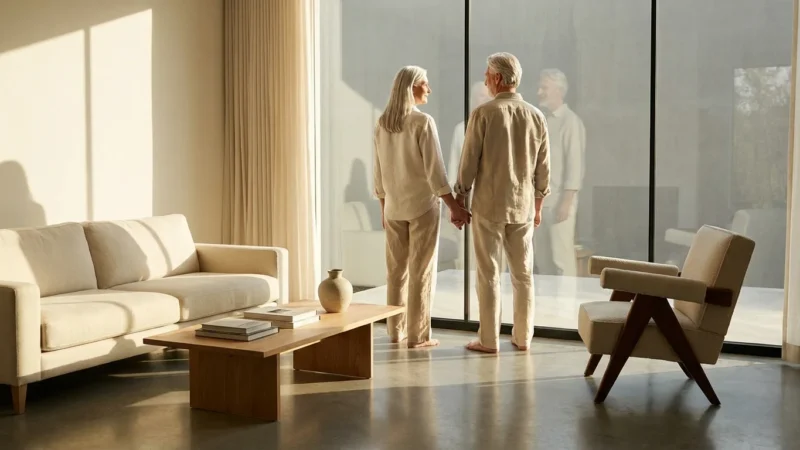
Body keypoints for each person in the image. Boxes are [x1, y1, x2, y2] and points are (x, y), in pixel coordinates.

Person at [454, 52, 551, 354]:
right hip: (522, 207)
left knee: (488, 273)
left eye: (486, 74)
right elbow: (543, 168)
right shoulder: (536, 116)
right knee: (523, 275)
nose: (484, 79)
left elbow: (468, 163)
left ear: (497, 78)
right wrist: (538, 206)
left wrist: (460, 199)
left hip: (488, 206)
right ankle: (522, 338)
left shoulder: (483, 114)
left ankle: (488, 340)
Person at [373, 65, 472, 349]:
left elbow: (378, 174)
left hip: (393, 208)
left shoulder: (382, 123)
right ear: (411, 87)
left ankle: (395, 331)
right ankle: (418, 337)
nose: (428, 89)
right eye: (424, 84)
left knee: (395, 272)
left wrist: (383, 206)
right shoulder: (422, 122)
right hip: (422, 207)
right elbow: (436, 173)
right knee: (421, 272)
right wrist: (455, 207)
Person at [534, 68, 585, 277]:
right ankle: (548, 308)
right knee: (542, 261)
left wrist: (566, 202)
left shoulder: (571, 122)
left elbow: (575, 165)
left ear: (559, 91)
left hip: (559, 204)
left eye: (544, 87)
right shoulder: (541, 121)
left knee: (561, 261)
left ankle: (566, 307)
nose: (539, 92)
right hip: (539, 204)